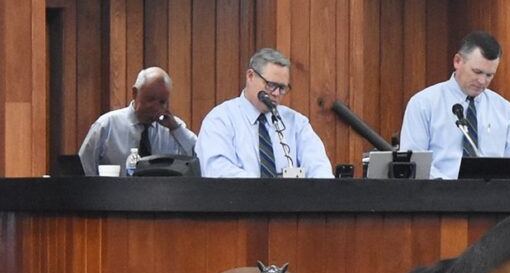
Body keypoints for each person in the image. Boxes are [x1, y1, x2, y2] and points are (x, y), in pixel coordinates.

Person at [399, 31, 510, 179]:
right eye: (477, 72)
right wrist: (453, 190)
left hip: (491, 196)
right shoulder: (423, 104)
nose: (482, 81)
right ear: (457, 61)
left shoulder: (503, 109)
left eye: (489, 75)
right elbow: (414, 163)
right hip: (437, 195)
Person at [196, 47, 333, 178]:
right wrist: (266, 190)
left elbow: (319, 167)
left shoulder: (296, 123)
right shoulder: (221, 119)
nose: (276, 93)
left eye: (282, 88)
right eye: (271, 85)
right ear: (250, 76)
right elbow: (217, 170)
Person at [78, 66, 196, 175]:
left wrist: (176, 130)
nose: (155, 107)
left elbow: (198, 156)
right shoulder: (108, 125)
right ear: (135, 93)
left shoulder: (172, 129)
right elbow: (84, 167)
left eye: (162, 102)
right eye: (150, 99)